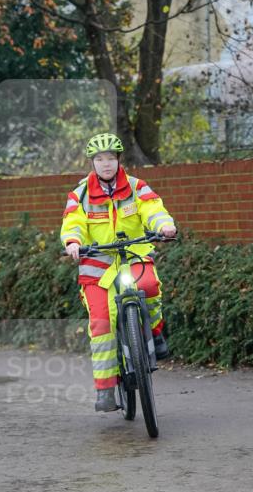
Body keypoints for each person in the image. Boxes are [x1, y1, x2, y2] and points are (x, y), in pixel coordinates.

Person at [61, 133, 177, 413]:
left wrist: (164, 226)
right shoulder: (80, 195)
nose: (105, 164)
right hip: (97, 266)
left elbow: (153, 209)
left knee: (149, 286)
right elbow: (72, 222)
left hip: (133, 255)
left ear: (118, 160)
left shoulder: (137, 187)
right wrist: (73, 242)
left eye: (110, 158)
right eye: (100, 159)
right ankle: (105, 389)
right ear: (92, 163)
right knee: (101, 323)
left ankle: (156, 334)